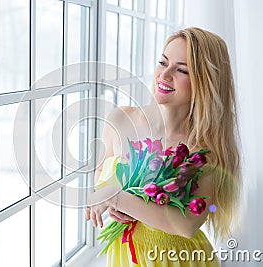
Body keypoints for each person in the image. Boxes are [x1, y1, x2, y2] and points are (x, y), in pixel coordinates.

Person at [85, 27, 241, 266]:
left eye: (181, 70)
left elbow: (187, 224)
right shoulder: (120, 120)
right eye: (162, 62)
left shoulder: (204, 149)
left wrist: (115, 197)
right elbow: (102, 173)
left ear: (205, 83)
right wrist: (114, 202)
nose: (164, 75)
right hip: (125, 254)